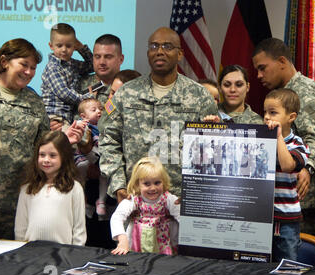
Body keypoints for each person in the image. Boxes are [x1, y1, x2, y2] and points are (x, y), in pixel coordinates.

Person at [99, 27, 218, 203]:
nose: (159, 51)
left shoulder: (200, 96)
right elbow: (109, 140)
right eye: (154, 46)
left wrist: (195, 192)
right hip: (134, 199)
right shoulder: (126, 93)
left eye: (167, 46)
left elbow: (211, 151)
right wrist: (119, 185)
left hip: (180, 201)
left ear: (180, 54)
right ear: (148, 53)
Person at [0, 38, 84, 240]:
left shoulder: (35, 102)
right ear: (4, 62)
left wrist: (64, 140)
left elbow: (43, 145)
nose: (29, 72)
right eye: (24, 65)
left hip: (17, 200)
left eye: (33, 68)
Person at [252, 37, 315, 238]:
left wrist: (307, 167)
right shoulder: (279, 95)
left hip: (303, 200)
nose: (259, 75)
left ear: (282, 62)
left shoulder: (305, 92)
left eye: (263, 68)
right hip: (279, 199)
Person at [15, 131, 86, 245]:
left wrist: (76, 252)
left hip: (63, 253)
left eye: (52, 155)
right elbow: (20, 226)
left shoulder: (74, 188)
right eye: (42, 155)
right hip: (31, 252)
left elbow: (79, 228)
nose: (46, 160)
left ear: (64, 157)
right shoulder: (27, 188)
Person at [264, 88, 310, 262]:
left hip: (287, 219)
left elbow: (288, 165)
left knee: (287, 263)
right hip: (262, 216)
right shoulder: (260, 138)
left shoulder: (298, 143)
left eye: (273, 112)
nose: (267, 117)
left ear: (291, 117)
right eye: (265, 112)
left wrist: (278, 138)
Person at [110, 156, 180, 255]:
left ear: (163, 181)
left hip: (164, 248)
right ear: (138, 184)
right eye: (147, 184)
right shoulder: (134, 200)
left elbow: (182, 216)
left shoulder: (168, 199)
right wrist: (122, 239)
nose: (153, 188)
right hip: (137, 247)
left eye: (157, 183)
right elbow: (117, 217)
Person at [41, 23, 94, 131]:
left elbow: (92, 66)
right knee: (71, 142)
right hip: (55, 117)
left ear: (74, 46)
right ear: (51, 46)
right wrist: (85, 98)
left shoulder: (72, 64)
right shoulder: (53, 67)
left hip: (66, 117)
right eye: (59, 45)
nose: (64, 50)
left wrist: (82, 48)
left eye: (69, 46)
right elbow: (63, 92)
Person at [77, 34, 125, 133]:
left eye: (108, 57)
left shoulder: (129, 86)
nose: (102, 62)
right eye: (97, 57)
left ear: (121, 59)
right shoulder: (77, 84)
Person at [74, 98, 108, 220]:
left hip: (101, 158)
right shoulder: (84, 124)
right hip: (84, 158)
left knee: (104, 174)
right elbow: (77, 127)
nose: (99, 111)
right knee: (81, 167)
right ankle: (82, 197)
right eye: (94, 110)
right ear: (84, 116)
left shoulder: (105, 125)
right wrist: (80, 124)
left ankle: (101, 200)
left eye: (100, 109)